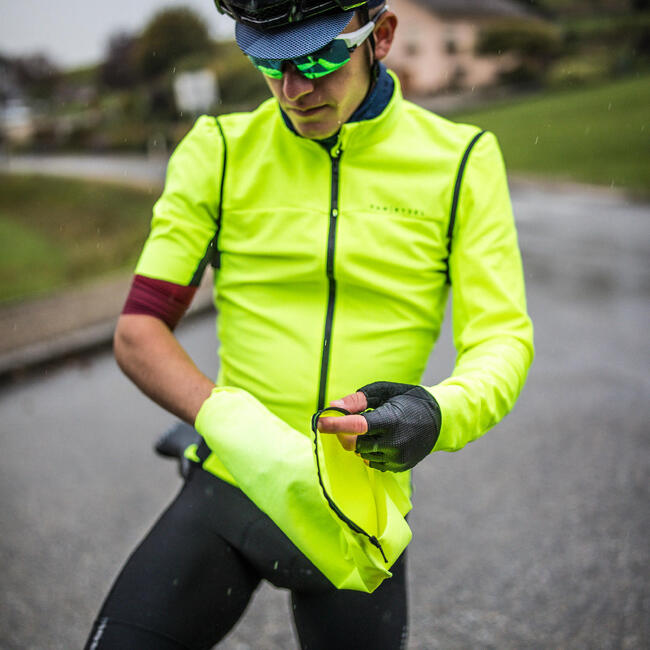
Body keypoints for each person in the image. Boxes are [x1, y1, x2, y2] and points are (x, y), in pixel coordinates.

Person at [85, 0, 534, 647]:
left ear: (380, 35)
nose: (294, 90)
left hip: (357, 506)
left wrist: (439, 411)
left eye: (320, 57)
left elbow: (501, 337)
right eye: (269, 64)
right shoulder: (217, 151)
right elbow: (138, 331)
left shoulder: (462, 159)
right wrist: (223, 416)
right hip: (232, 479)